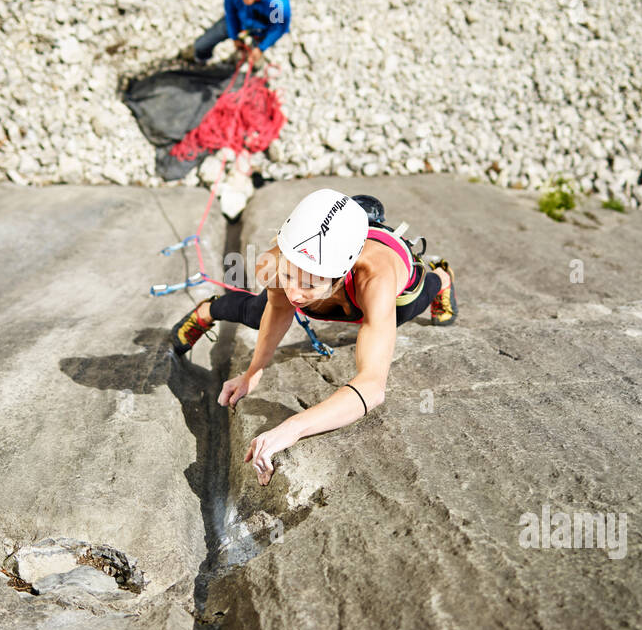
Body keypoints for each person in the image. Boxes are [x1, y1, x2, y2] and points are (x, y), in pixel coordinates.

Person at [169, 190, 457, 484]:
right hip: (334, 281)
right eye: (290, 276)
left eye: (307, 283)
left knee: (404, 310)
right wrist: (253, 372)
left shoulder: (376, 279)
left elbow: (372, 387)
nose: (294, 292)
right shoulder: (274, 263)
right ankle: (209, 310)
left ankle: (442, 277)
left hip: (383, 284)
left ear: (338, 274)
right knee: (258, 312)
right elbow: (279, 309)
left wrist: (292, 428)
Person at [188, 0, 292, 68]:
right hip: (239, 22)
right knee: (201, 45)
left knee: (255, 64)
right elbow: (231, 15)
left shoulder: (276, 3)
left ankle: (253, 64)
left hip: (261, 31)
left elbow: (277, 29)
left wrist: (261, 48)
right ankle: (200, 59)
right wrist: (234, 37)